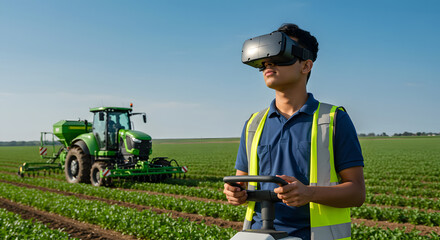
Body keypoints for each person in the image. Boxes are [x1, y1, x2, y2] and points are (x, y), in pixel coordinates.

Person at [223, 23, 365, 239]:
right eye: (266, 60)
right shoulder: (253, 124)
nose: (269, 63)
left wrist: (309, 193)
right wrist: (235, 192)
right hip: (260, 234)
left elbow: (356, 193)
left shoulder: (333, 120)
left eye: (281, 56)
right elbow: (241, 181)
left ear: (306, 66)